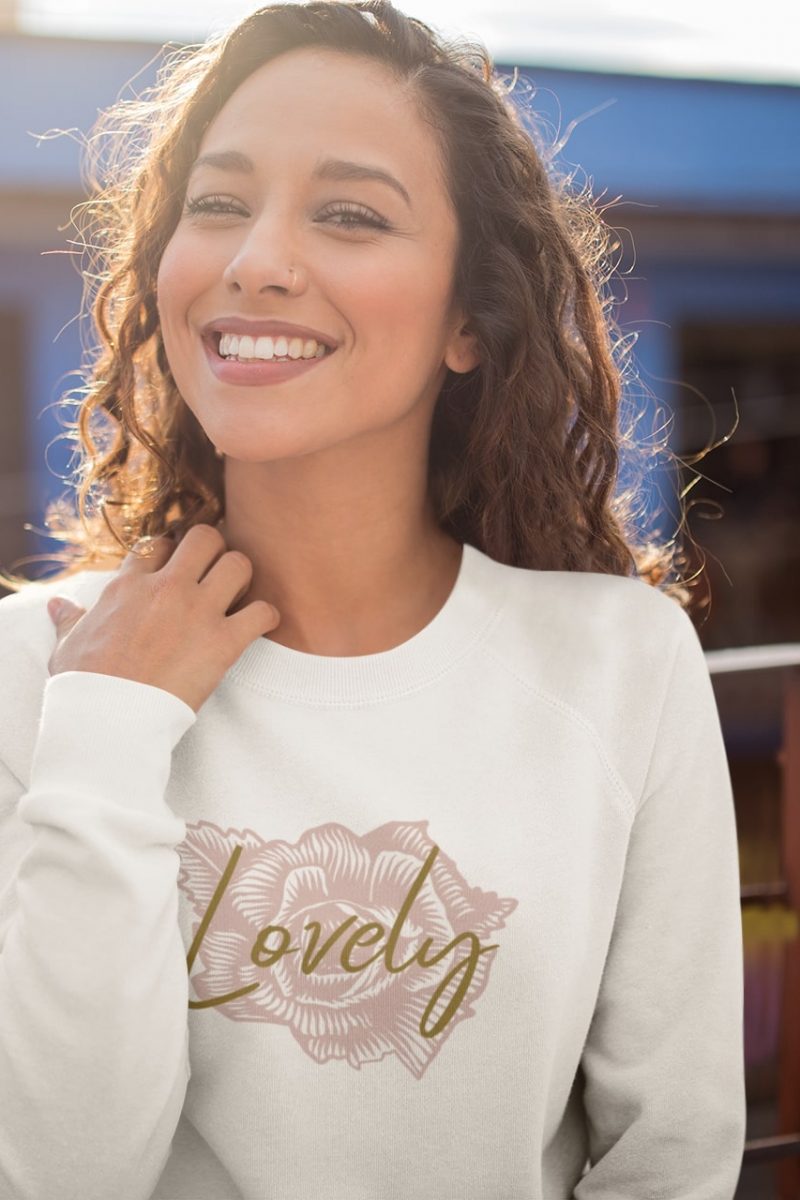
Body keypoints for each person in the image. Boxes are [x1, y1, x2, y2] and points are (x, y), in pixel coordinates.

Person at [0, 2, 746, 1198]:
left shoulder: (621, 664)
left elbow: (674, 1155)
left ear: (467, 318)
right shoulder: (39, 671)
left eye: (349, 215)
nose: (256, 260)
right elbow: (61, 1176)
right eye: (219, 203)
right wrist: (106, 737)